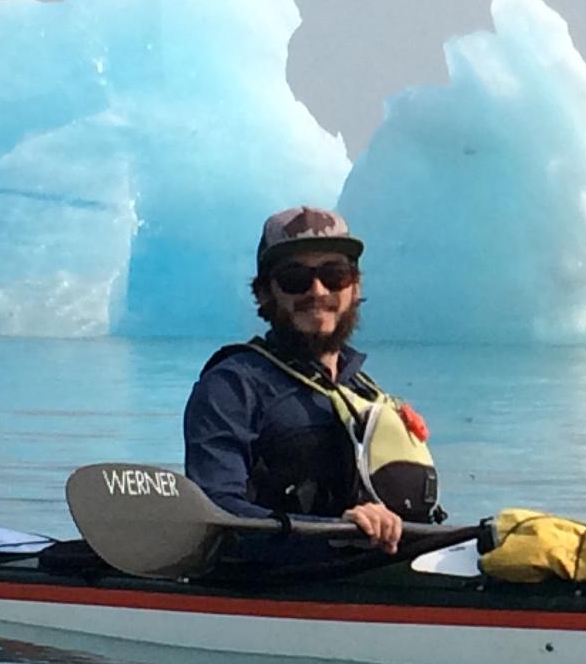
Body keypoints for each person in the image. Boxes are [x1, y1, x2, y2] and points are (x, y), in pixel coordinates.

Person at [180, 207, 442, 568]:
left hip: (383, 570)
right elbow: (216, 508)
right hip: (285, 581)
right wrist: (337, 530)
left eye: (334, 275)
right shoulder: (233, 386)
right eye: (294, 279)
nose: (317, 291)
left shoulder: (364, 391)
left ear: (355, 286)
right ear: (264, 293)